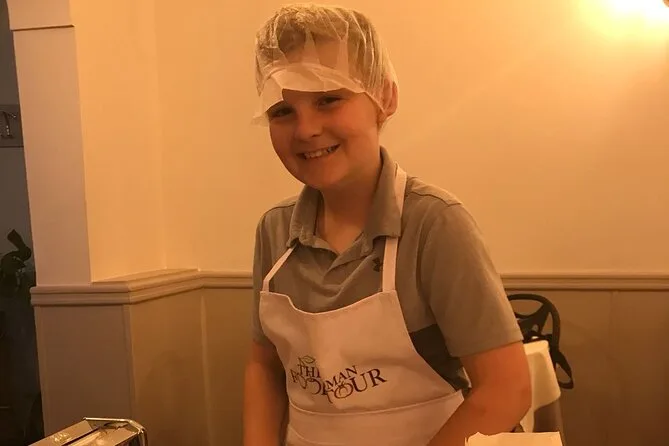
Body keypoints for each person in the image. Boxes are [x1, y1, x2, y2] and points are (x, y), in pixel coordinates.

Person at [243, 4, 532, 446]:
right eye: (283, 111)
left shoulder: (434, 225)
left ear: (385, 98)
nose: (306, 129)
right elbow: (264, 365)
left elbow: (506, 388)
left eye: (328, 99)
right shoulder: (274, 231)